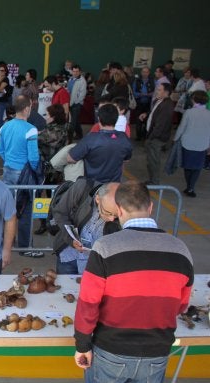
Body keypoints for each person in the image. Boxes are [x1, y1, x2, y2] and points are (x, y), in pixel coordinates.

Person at [74, 181, 193, 383]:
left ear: (119, 210)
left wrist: (82, 346)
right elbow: (181, 306)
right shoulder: (181, 250)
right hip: (157, 352)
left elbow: (88, 304)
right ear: (150, 207)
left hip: (111, 351)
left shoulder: (104, 248)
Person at [0, 95, 40, 255]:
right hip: (24, 174)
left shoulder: (4, 127)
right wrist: (34, 170)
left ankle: (5, 242)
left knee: (9, 208)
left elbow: (0, 150)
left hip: (7, 170)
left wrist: (9, 161)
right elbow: (33, 157)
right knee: (26, 209)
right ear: (27, 109)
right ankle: (25, 246)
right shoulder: (31, 129)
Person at [52, 181, 121, 274]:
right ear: (97, 199)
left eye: (116, 215)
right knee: (65, 286)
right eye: (108, 213)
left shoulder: (125, 207)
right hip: (68, 255)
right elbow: (60, 213)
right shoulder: (82, 188)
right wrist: (70, 239)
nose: (112, 219)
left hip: (94, 264)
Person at [68, 104, 132, 183]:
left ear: (99, 119)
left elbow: (70, 158)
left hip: (92, 186)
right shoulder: (124, 138)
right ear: (116, 119)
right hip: (114, 186)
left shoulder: (91, 139)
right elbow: (126, 159)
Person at [173, 91, 210, 197]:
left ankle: (189, 186)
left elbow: (181, 127)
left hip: (188, 143)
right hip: (202, 144)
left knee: (187, 166)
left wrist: (175, 138)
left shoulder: (188, 112)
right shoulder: (209, 114)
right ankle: (191, 187)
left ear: (193, 99)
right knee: (197, 167)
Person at [139, 83, 174, 185]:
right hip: (153, 135)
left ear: (166, 92)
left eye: (159, 90)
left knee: (153, 160)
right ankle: (152, 179)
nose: (156, 91)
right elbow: (154, 113)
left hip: (156, 138)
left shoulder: (167, 105)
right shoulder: (158, 101)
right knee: (151, 159)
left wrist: (150, 138)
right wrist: (146, 114)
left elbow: (160, 125)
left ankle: (154, 181)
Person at [67, 64, 87, 140]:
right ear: (71, 71)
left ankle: (69, 138)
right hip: (70, 103)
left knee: (73, 122)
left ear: (80, 72)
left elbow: (83, 94)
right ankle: (80, 134)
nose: (75, 73)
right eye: (74, 71)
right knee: (76, 120)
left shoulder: (82, 81)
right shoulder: (70, 79)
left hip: (76, 104)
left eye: (77, 71)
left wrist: (76, 102)